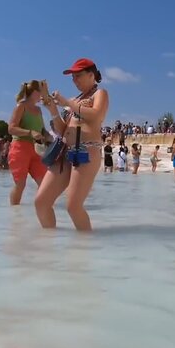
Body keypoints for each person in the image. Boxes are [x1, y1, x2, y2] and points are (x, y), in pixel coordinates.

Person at [34, 58, 109, 231]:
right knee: (41, 202)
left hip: (87, 151)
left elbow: (97, 116)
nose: (75, 80)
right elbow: (62, 129)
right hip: (66, 152)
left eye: (78, 76)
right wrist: (53, 109)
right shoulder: (75, 99)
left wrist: (67, 103)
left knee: (73, 207)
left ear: (92, 75)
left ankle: (84, 249)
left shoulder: (100, 94)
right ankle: (48, 246)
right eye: (73, 77)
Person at [7, 80, 50, 205]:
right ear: (35, 92)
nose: (42, 95)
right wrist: (30, 132)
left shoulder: (38, 110)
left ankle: (41, 210)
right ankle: (15, 214)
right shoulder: (21, 106)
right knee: (20, 185)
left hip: (37, 150)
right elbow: (11, 128)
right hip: (20, 149)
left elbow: (42, 129)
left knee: (44, 184)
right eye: (41, 92)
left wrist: (47, 135)